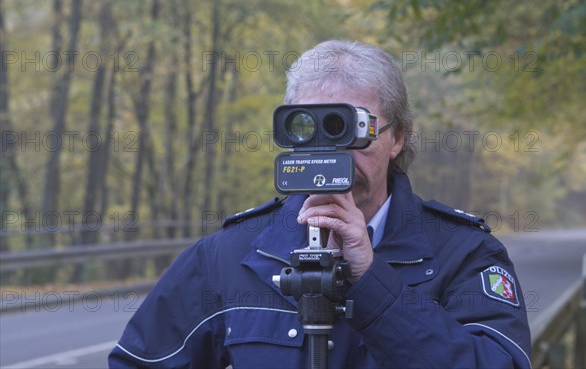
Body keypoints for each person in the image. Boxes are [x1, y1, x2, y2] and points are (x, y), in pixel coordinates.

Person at [109, 40, 531, 368]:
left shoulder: (462, 252)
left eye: (350, 128)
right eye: (310, 128)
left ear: (397, 137)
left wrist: (371, 280)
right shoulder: (233, 254)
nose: (333, 152)